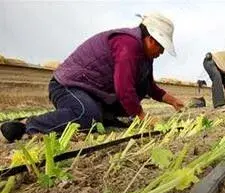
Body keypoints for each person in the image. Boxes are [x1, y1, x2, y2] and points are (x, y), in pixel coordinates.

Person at [0, 13, 184, 143]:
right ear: (151, 39)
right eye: (161, 47)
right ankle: (27, 125)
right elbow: (123, 88)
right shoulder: (128, 45)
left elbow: (148, 85)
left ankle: (101, 116)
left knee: (125, 103)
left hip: (94, 94)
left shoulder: (145, 55)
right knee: (87, 116)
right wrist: (142, 116)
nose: (161, 52)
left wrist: (172, 100)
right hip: (68, 86)